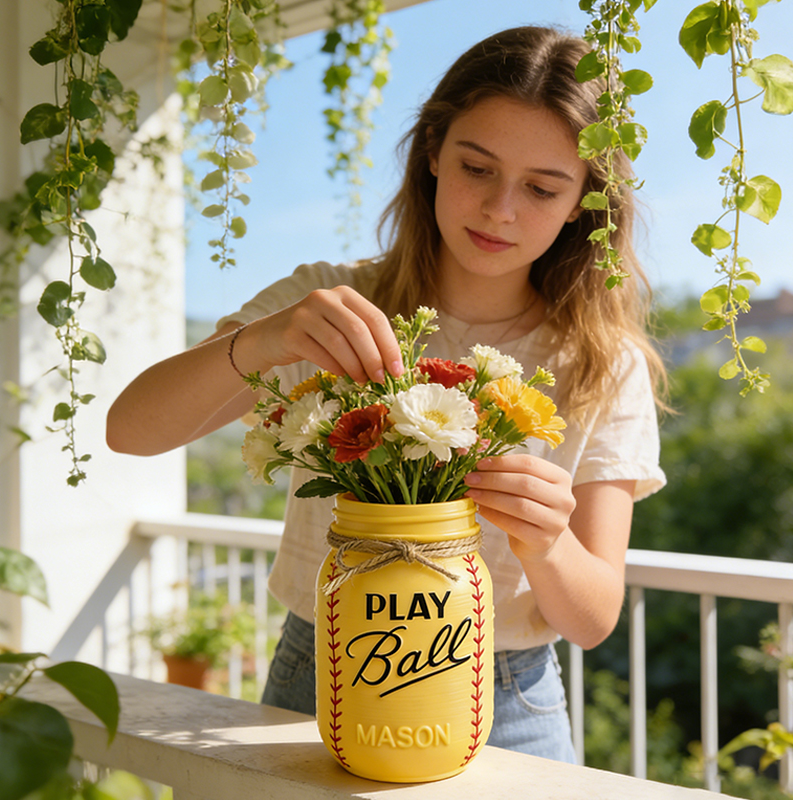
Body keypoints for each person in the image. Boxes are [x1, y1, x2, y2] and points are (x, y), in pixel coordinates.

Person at [107, 26, 667, 763]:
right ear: (432, 153)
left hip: (509, 699)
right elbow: (129, 431)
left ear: (582, 204)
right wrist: (263, 340)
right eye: (477, 167)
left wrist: (548, 540)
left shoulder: (602, 361)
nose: (501, 208)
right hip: (322, 674)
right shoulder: (324, 300)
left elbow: (592, 618)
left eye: (541, 187)